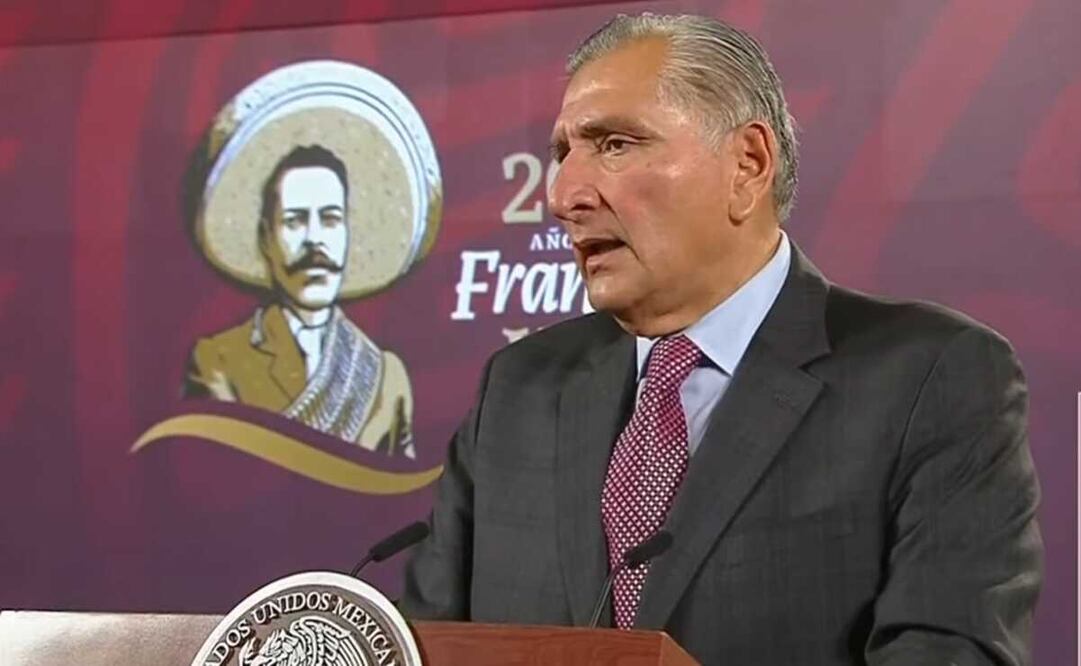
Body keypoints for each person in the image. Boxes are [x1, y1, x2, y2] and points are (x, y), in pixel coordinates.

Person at [400, 13, 1042, 665]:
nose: (564, 195)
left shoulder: (930, 377)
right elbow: (413, 645)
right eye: (563, 153)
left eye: (615, 144)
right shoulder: (519, 387)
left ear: (747, 164)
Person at [184, 145, 415, 457]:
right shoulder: (219, 362)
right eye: (294, 221)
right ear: (266, 237)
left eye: (331, 219)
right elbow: (214, 486)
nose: (314, 239)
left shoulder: (386, 376)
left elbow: (405, 499)